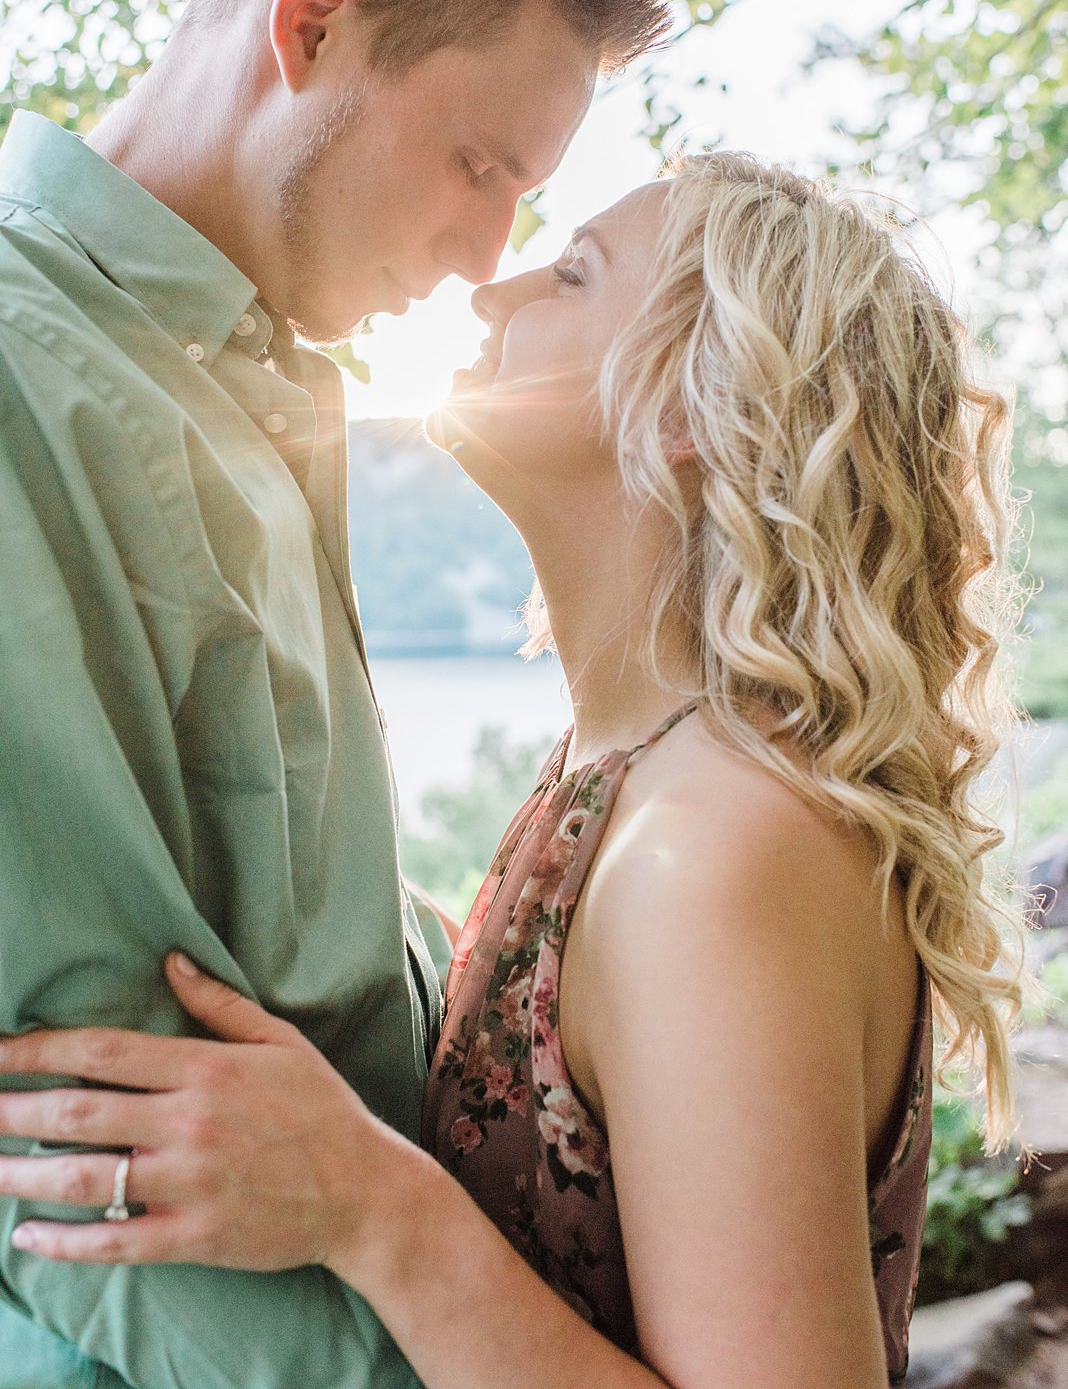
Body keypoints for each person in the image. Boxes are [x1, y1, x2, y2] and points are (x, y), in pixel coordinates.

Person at [0, 153, 1027, 1389]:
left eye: (575, 271)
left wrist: (371, 1206)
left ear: (691, 409)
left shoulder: (717, 845)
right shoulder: (649, 782)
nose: (494, 288)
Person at [0, 0, 669, 1383]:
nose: (482, 254)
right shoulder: (26, 387)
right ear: (313, 25)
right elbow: (75, 1138)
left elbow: (309, 951)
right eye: (479, 164)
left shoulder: (260, 374)